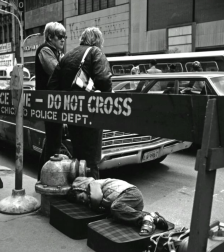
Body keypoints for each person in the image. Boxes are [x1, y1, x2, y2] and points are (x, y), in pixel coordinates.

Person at [50, 27, 112, 179]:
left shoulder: (67, 56)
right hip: (91, 114)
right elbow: (104, 80)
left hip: (72, 115)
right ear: (97, 40)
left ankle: (78, 189)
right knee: (91, 161)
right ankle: (91, 195)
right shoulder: (95, 52)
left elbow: (52, 85)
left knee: (78, 155)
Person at [67, 177, 169, 236]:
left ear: (82, 188)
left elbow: (97, 198)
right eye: (81, 202)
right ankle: (153, 217)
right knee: (117, 216)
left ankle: (146, 219)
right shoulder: (91, 190)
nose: (84, 201)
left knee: (115, 207)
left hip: (130, 193)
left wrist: (94, 207)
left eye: (81, 197)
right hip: (131, 202)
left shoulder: (93, 184)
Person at [35, 22, 66, 180]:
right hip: (49, 102)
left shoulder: (56, 52)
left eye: (64, 36)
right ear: (49, 37)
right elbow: (57, 72)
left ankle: (41, 176)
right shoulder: (45, 50)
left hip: (55, 102)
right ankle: (46, 179)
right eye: (60, 36)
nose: (63, 40)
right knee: (54, 142)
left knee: (53, 140)